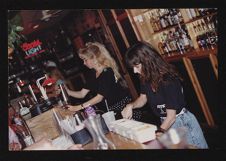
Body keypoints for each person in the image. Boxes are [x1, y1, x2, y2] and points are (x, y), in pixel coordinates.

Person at [121, 41, 208, 149]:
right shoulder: (145, 77)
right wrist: (131, 106)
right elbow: (143, 98)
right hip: (164, 122)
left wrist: (157, 134)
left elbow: (171, 117)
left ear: (148, 61)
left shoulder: (168, 79)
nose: (134, 71)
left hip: (181, 122)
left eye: (137, 66)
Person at [66, 42, 142, 120]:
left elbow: (99, 98)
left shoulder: (107, 72)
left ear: (94, 58)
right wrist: (67, 91)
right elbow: (82, 94)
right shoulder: (93, 73)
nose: (84, 63)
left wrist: (78, 107)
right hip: (110, 110)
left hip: (123, 108)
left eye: (85, 60)